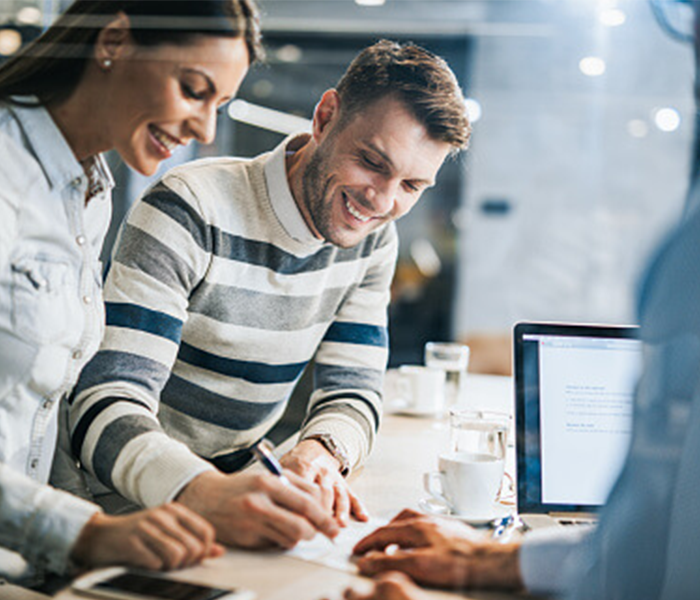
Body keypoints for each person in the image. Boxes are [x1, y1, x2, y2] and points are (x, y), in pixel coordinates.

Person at [62, 40, 471, 549]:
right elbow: (104, 401)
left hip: (240, 505)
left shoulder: (373, 240)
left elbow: (355, 390)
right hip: (122, 514)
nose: (381, 200)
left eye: (411, 186)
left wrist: (317, 454)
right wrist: (203, 491)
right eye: (371, 162)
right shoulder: (191, 207)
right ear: (325, 118)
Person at [0, 0, 262, 585]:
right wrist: (84, 534)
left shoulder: (89, 188)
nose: (206, 129)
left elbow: (43, 413)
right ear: (114, 40)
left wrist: (88, 543)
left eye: (220, 104)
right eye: (194, 89)